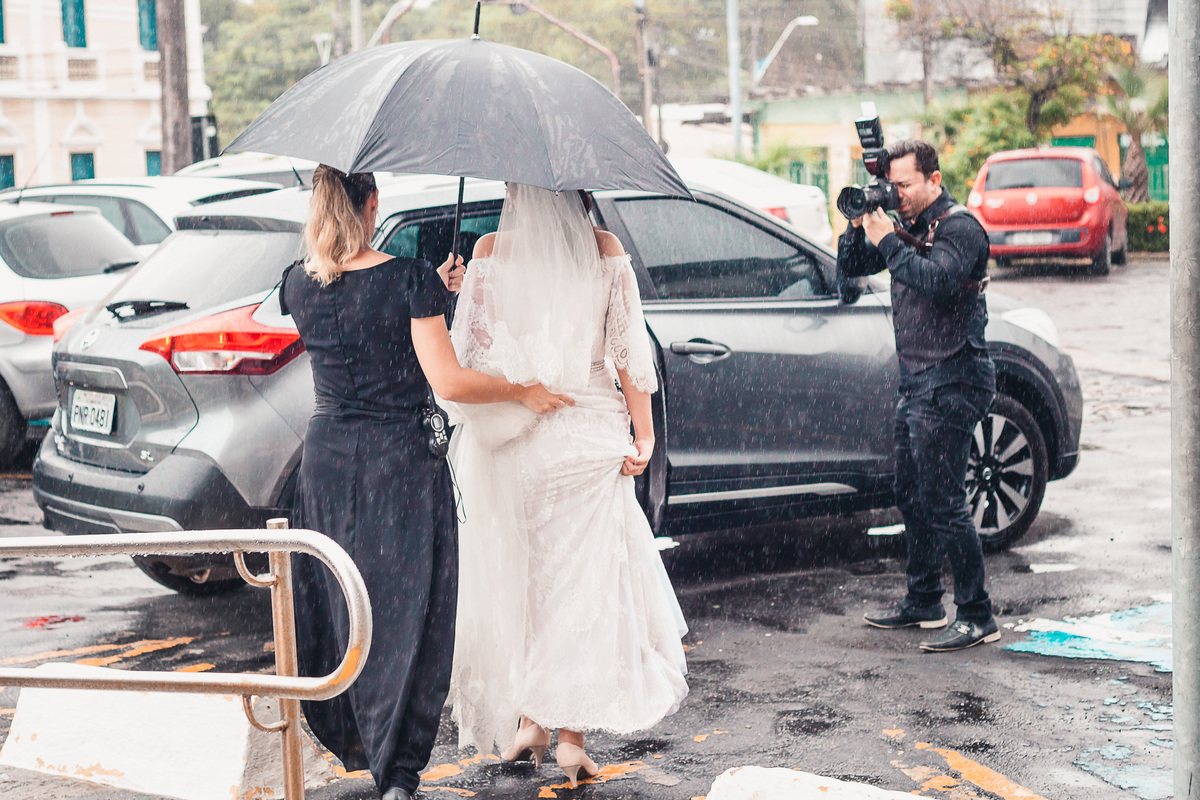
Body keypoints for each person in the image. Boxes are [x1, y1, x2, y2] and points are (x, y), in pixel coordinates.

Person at [281, 166, 574, 800]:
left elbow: (357, 328)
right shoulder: (407, 280)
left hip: (328, 460)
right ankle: (399, 770)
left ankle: (356, 736)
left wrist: (429, 297)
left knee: (342, 602)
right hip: (399, 462)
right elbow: (450, 382)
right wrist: (520, 390)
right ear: (372, 204)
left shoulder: (296, 286)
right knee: (411, 609)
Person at [437, 184, 689, 787]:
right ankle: (571, 737)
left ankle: (529, 722)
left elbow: (472, 354)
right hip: (591, 435)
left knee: (526, 583)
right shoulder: (607, 250)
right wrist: (645, 436)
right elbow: (629, 353)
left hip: (526, 439)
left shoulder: (491, 251)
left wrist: (463, 289)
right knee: (585, 590)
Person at [836, 139, 1000, 653]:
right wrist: (860, 218)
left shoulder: (959, 227)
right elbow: (851, 268)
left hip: (955, 377)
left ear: (933, 178)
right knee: (911, 493)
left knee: (945, 501)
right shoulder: (904, 225)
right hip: (917, 380)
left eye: (904, 185)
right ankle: (925, 600)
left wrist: (889, 242)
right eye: (893, 185)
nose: (898, 194)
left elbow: (938, 282)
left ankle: (977, 614)